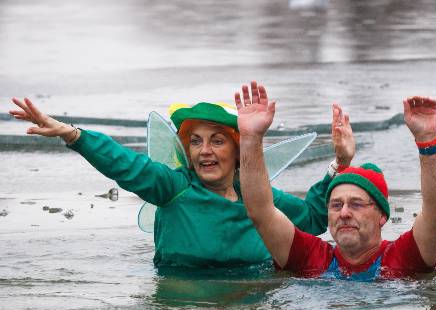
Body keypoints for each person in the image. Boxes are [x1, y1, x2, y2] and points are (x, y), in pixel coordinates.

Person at [9, 96, 355, 268]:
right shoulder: (173, 187)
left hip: (248, 307)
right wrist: (73, 135)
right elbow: (126, 164)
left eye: (217, 140)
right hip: (178, 306)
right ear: (186, 151)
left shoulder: (263, 202)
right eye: (195, 141)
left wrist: (339, 163)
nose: (205, 151)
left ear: (238, 151)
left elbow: (312, 218)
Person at [236, 81, 436, 280]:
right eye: (336, 205)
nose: (344, 213)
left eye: (356, 204)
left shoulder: (403, 257)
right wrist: (251, 139)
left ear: (382, 216)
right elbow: (260, 212)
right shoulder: (310, 257)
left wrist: (427, 140)